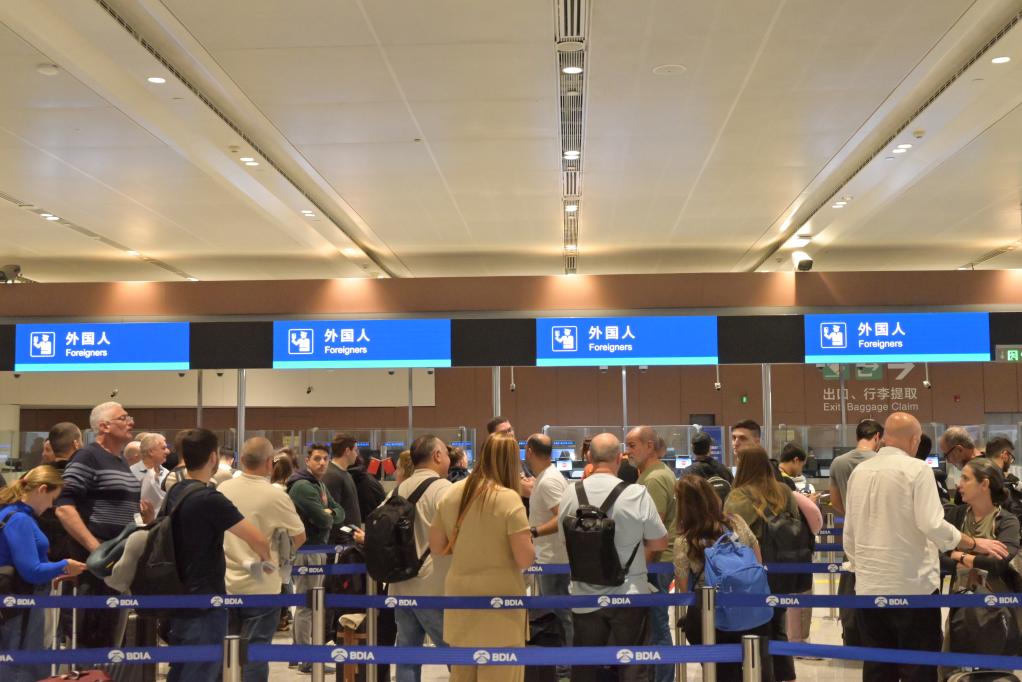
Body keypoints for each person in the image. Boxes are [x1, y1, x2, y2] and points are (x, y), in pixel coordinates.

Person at [844, 412, 1009, 682]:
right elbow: (932, 524)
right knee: (918, 668)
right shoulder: (917, 470)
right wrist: (974, 543)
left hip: (868, 588)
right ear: (914, 440)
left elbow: (849, 532)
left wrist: (862, 570)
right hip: (913, 587)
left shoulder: (859, 472)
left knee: (877, 667)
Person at [161, 428, 271, 682]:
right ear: (213, 457)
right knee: (200, 672)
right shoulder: (210, 498)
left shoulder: (176, 492)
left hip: (177, 595)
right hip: (205, 600)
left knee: (180, 670)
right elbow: (257, 538)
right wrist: (265, 560)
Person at [558, 433, 668, 682]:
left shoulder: (570, 493)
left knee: (585, 669)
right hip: (630, 594)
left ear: (589, 457)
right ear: (619, 458)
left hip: (584, 596)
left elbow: (565, 540)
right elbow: (660, 541)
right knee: (633, 669)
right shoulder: (637, 493)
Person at [430, 433, 534, 682]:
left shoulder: (452, 493)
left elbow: (437, 546)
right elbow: (525, 559)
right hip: (501, 601)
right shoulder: (509, 498)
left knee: (462, 675)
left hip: (459, 598)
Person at [55, 401, 152, 648]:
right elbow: (64, 507)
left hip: (116, 563)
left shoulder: (119, 461)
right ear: (104, 426)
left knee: (111, 640)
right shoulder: (87, 456)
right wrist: (96, 550)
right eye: (123, 418)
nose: (130, 422)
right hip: (96, 566)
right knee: (90, 639)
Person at [218, 437, 306, 682]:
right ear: (269, 462)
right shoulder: (275, 496)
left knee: (226, 653)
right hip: (263, 585)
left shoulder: (223, 489)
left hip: (225, 582)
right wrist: (280, 558)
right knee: (256, 654)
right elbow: (299, 536)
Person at [674, 475, 771, 682]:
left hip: (712, 618)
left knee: (720, 672)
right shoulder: (737, 522)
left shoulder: (685, 540)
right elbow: (757, 561)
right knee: (755, 666)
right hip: (751, 609)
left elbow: (684, 588)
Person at [0, 466, 87, 682]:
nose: (51, 506)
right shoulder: (20, 519)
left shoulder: (14, 515)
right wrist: (64, 565)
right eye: (51, 499)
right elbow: (32, 571)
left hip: (18, 603)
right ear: (41, 490)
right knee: (21, 667)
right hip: (21, 604)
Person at [723, 447, 800, 682]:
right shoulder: (784, 491)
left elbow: (731, 532)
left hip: (751, 569)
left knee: (756, 625)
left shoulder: (737, 496)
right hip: (783, 565)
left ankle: (760, 673)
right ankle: (785, 674)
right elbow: (796, 523)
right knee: (778, 623)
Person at [390, 435, 452, 682]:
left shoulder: (398, 490)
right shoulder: (444, 489)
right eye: (445, 453)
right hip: (433, 586)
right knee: (455, 653)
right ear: (437, 456)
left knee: (407, 655)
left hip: (400, 583)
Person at [625, 425, 676, 682]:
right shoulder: (655, 474)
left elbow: (653, 530)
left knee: (657, 628)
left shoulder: (654, 479)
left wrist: (640, 571)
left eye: (632, 445)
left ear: (649, 446)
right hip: (657, 562)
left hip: (657, 564)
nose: (628, 451)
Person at [287, 444, 344, 673]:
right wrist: (328, 513)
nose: (322, 463)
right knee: (307, 606)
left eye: (325, 459)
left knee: (307, 604)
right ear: (307, 460)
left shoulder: (318, 484)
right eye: (317, 458)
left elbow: (339, 512)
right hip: (307, 551)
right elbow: (325, 520)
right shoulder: (302, 486)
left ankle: (297, 655)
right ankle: (307, 658)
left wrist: (330, 512)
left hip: (317, 549)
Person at [524, 433, 572, 663]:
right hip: (550, 558)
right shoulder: (545, 478)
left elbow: (561, 517)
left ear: (529, 451)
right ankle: (561, 664)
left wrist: (533, 532)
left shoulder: (548, 481)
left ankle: (567, 665)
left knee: (560, 614)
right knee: (555, 613)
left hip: (554, 561)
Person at [323, 434, 363, 528]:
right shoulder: (332, 476)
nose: (357, 454)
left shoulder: (345, 474)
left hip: (351, 534)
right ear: (347, 451)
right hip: (341, 536)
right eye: (355, 450)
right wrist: (347, 533)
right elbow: (333, 514)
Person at [940, 426, 981, 501]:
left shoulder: (981, 471)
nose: (948, 461)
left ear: (959, 449)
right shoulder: (984, 465)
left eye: (947, 455)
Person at [137, 433, 170, 513]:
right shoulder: (134, 472)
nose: (168, 451)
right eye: (163, 448)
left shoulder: (167, 473)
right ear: (151, 451)